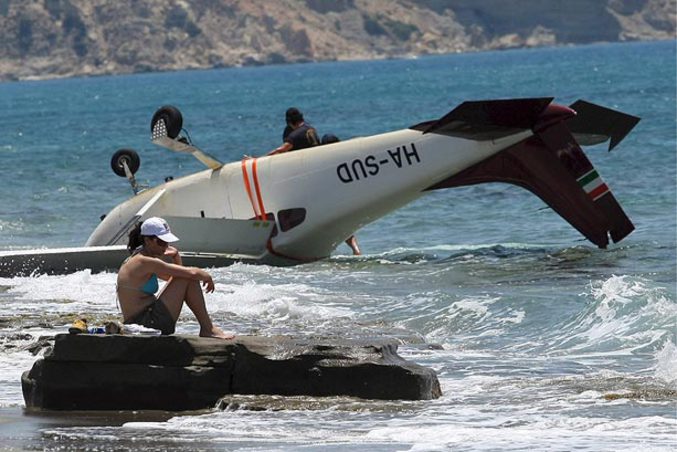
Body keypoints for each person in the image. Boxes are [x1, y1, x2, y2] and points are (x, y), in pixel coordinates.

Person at [116, 217, 232, 339]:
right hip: (146, 324)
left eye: (167, 243)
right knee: (188, 276)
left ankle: (207, 328)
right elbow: (190, 274)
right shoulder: (144, 262)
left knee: (186, 277)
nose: (165, 247)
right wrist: (207, 276)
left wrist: (176, 257)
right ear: (148, 240)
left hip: (146, 319)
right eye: (161, 242)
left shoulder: (138, 258)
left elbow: (174, 279)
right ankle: (208, 329)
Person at [321, 133, 361, 256]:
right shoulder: (342, 152)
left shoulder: (322, 157)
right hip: (345, 195)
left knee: (335, 225)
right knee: (344, 225)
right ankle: (356, 250)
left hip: (330, 197)